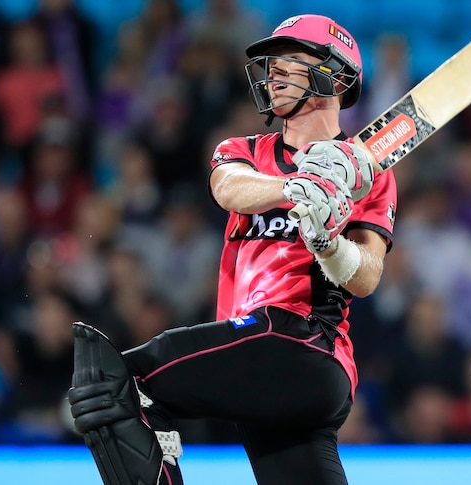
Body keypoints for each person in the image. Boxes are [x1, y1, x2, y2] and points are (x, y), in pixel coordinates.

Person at [67, 14, 397, 485]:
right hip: (259, 364)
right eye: (272, 64)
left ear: (334, 73)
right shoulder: (244, 150)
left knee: (118, 381)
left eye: (290, 62)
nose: (273, 73)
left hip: (305, 345)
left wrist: (328, 243)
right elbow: (229, 188)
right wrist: (301, 186)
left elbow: (365, 276)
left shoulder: (371, 174)